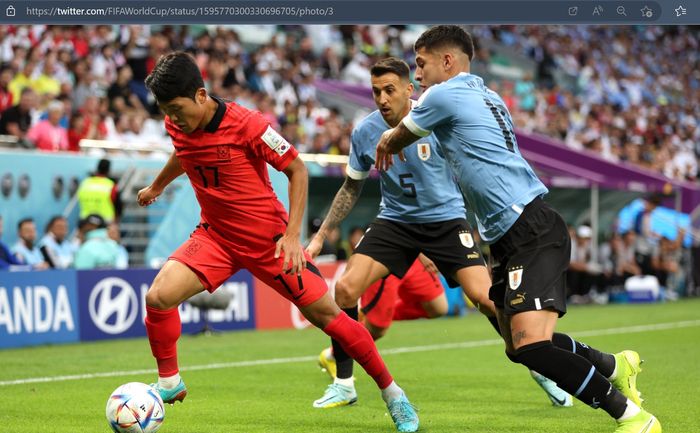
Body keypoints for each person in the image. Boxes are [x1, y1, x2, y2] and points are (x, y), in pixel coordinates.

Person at [375, 25, 660, 432]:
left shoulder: (443, 94)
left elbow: (400, 136)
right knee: (518, 345)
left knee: (531, 345)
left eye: (420, 64)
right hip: (509, 235)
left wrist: (385, 141)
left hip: (529, 227)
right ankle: (615, 365)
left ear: (448, 61)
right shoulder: (488, 96)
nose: (416, 75)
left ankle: (632, 417)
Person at [137, 51, 418, 432]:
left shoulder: (248, 124)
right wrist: (157, 185)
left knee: (330, 319)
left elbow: (297, 169)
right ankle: (170, 383)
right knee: (158, 297)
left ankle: (393, 394)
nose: (171, 118)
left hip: (268, 242)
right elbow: (183, 154)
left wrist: (291, 236)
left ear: (201, 96)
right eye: (165, 111)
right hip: (216, 237)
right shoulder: (179, 126)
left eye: (176, 109)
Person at [307, 57, 571, 410]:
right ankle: (343, 383)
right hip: (395, 222)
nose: (382, 99)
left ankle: (539, 369)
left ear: (408, 90)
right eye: (375, 92)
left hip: (446, 222)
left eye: (389, 90)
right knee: (344, 288)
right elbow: (351, 188)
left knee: (486, 298)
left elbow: (469, 171)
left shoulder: (438, 120)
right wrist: (322, 234)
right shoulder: (366, 132)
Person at [77, 158, 119, 223]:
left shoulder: (85, 183)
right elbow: (117, 204)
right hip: (105, 222)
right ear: (109, 170)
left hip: (85, 221)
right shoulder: (110, 185)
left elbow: (79, 197)